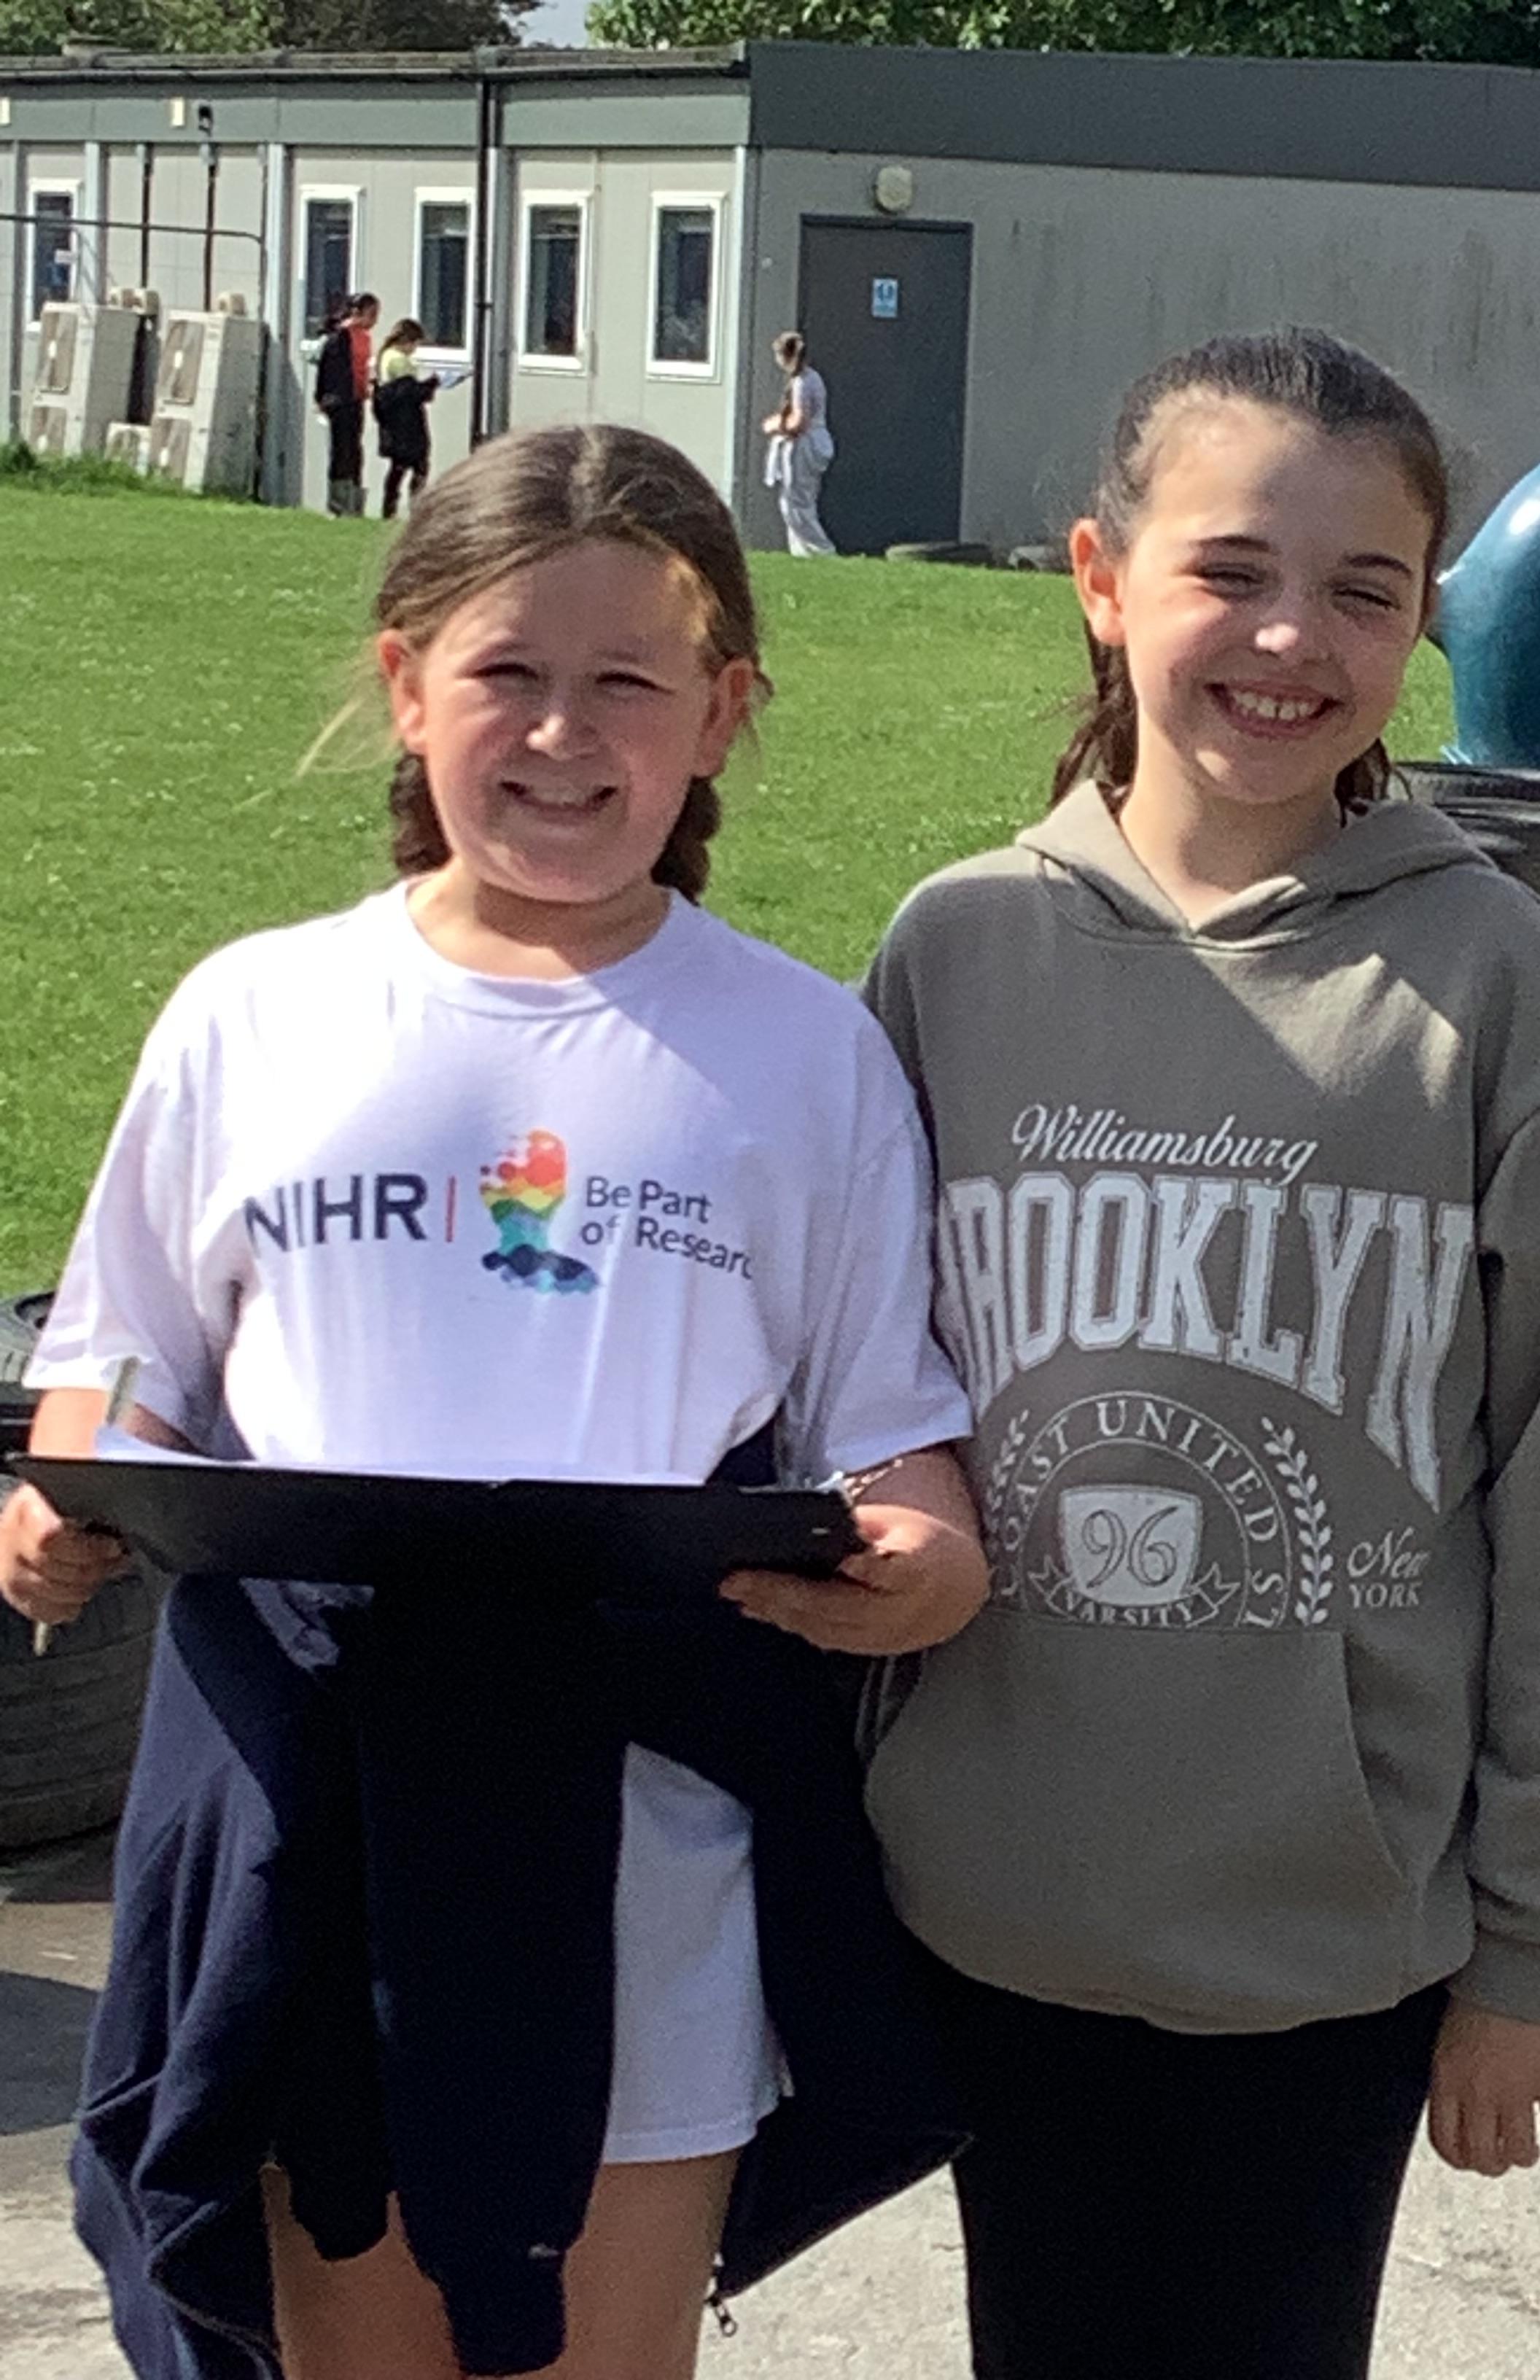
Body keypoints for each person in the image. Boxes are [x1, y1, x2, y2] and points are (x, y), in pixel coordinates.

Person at [0, 421, 986, 2380]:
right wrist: (55, 1505)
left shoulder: (798, 1055)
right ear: (404, 683)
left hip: (638, 1840)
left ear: (721, 713)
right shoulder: (257, 1015)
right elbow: (115, 1374)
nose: (559, 733)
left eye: (625, 681)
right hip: (310, 1809)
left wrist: (920, 1565)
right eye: (506, 672)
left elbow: (897, 1443)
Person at [839, 327, 1540, 2379]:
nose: (1291, 637)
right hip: (987, 1904)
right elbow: (850, 1406)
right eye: (1228, 570)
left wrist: (1530, 1941)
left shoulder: (1491, 982)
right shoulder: (956, 951)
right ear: (1101, 580)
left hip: (1327, 1937)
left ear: (1423, 621)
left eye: (1362, 590)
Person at [761, 331, 836, 557]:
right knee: (799, 501)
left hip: (803, 446)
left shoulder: (802, 382)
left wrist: (774, 425)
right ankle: (800, 552)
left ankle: (821, 550)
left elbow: (799, 422)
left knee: (796, 504)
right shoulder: (812, 377)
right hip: (813, 442)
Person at [314, 290, 379, 518]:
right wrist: (324, 399)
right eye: (371, 314)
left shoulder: (365, 338)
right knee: (341, 449)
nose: (374, 320)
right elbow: (328, 372)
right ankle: (338, 504)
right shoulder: (339, 337)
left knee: (355, 450)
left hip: (356, 399)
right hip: (340, 400)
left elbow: (362, 367)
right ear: (356, 313)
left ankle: (354, 503)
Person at [372, 317, 439, 520]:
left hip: (394, 422)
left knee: (398, 467)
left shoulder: (385, 355)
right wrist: (432, 384)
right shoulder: (398, 361)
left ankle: (389, 508)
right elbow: (409, 391)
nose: (415, 350)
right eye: (415, 344)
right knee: (418, 466)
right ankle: (414, 507)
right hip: (406, 423)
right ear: (407, 341)